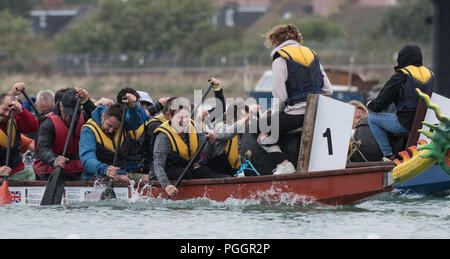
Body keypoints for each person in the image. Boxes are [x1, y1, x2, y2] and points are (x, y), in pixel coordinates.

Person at [259, 24, 333, 174]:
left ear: (276, 41)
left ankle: (284, 164)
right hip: (319, 113)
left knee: (258, 127)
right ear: (298, 38)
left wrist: (276, 115)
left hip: (297, 114)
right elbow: (328, 90)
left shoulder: (280, 58)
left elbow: (280, 97)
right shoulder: (312, 54)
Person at [367, 45, 435, 161]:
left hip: (405, 124)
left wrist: (370, 105)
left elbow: (380, 104)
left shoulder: (401, 76)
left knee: (372, 118)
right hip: (427, 124)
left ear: (402, 58)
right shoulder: (431, 75)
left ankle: (388, 155)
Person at [151, 98, 226, 197]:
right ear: (171, 117)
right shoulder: (163, 135)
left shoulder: (196, 127)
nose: (184, 121)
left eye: (186, 117)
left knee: (205, 172)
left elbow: (208, 155)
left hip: (186, 168)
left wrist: (211, 143)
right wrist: (166, 185)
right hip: (163, 173)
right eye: (179, 117)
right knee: (186, 173)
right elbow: (158, 164)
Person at [79, 93, 144, 181]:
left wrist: (132, 106)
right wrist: (105, 169)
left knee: (149, 179)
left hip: (121, 174)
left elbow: (136, 122)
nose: (111, 130)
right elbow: (87, 159)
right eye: (109, 125)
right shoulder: (88, 130)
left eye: (115, 128)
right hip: (95, 177)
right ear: (103, 117)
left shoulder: (123, 124)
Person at [33, 89, 87, 181]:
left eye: (72, 115)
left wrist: (87, 101)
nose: (68, 118)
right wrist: (54, 160)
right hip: (49, 172)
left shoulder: (84, 117)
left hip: (77, 172)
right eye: (66, 114)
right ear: (61, 107)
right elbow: (42, 148)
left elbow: (97, 116)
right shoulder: (48, 123)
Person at [203, 100, 258, 177]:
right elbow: (228, 134)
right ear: (233, 120)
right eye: (244, 118)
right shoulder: (221, 127)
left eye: (248, 119)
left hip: (232, 173)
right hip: (213, 172)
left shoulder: (245, 134)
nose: (247, 121)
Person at [0, 82, 39, 181]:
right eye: (4, 110)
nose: (7, 114)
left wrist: (21, 111)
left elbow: (33, 127)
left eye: (10, 111)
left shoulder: (13, 117)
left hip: (17, 172)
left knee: (30, 174)